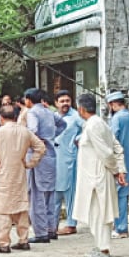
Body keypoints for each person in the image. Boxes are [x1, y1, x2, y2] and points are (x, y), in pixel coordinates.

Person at [0, 105, 46, 253]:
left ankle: (3, 243)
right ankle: (23, 240)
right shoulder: (25, 132)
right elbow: (41, 147)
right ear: (16, 116)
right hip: (20, 173)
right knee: (21, 207)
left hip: (2, 173)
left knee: (2, 210)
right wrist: (30, 163)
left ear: (1, 118)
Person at [73, 94, 126, 257]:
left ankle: (104, 250)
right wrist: (120, 169)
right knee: (95, 213)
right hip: (95, 175)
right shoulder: (98, 123)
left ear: (81, 109)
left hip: (97, 176)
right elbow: (116, 145)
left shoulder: (94, 125)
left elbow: (107, 152)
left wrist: (117, 170)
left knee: (100, 213)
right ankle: (99, 245)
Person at [24, 88, 66, 243]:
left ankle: (41, 232)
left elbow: (32, 130)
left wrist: (34, 141)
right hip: (51, 155)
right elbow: (63, 124)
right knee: (50, 194)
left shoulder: (32, 113)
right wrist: (51, 137)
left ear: (28, 99)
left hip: (37, 156)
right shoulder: (49, 111)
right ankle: (51, 229)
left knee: (37, 196)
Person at [107, 91, 129, 238]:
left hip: (118, 160)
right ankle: (122, 227)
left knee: (116, 195)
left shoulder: (117, 119)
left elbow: (112, 140)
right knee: (124, 195)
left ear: (112, 105)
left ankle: (118, 227)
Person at [53, 90, 84, 235]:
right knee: (55, 193)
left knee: (70, 193)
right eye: (62, 101)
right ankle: (52, 225)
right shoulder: (53, 117)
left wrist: (78, 139)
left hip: (70, 159)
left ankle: (71, 224)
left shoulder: (76, 116)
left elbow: (88, 129)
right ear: (56, 103)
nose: (65, 104)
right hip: (55, 160)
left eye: (67, 101)